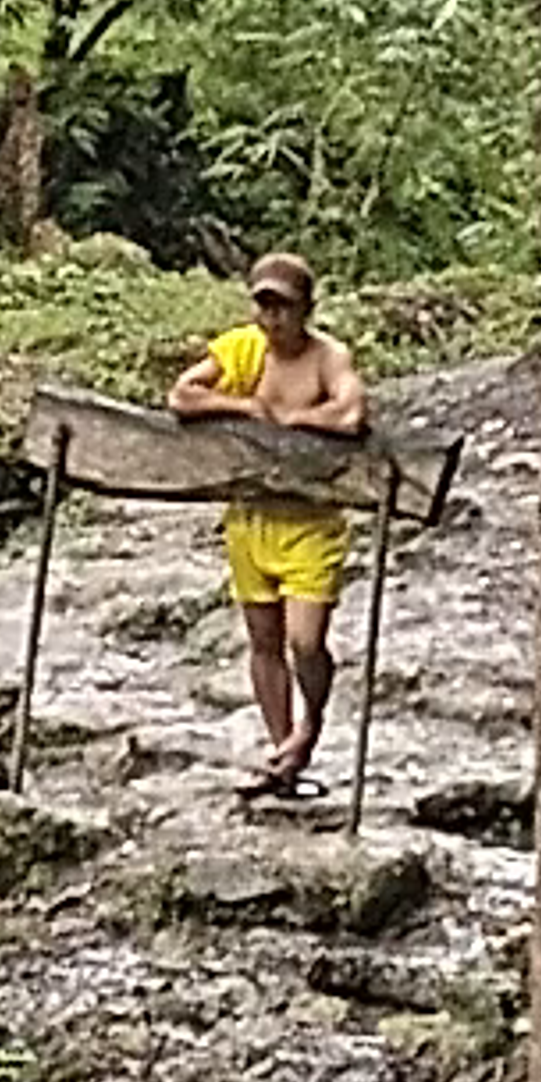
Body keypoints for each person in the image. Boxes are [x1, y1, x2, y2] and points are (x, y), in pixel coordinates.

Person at [169, 248, 370, 798]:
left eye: (283, 307)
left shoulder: (328, 357)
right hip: (252, 517)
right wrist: (243, 408)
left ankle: (311, 727)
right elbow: (183, 394)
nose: (272, 319)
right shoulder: (241, 350)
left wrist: (295, 420)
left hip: (311, 524)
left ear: (306, 307)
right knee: (263, 639)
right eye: (264, 307)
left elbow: (351, 413)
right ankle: (282, 753)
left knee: (306, 641)